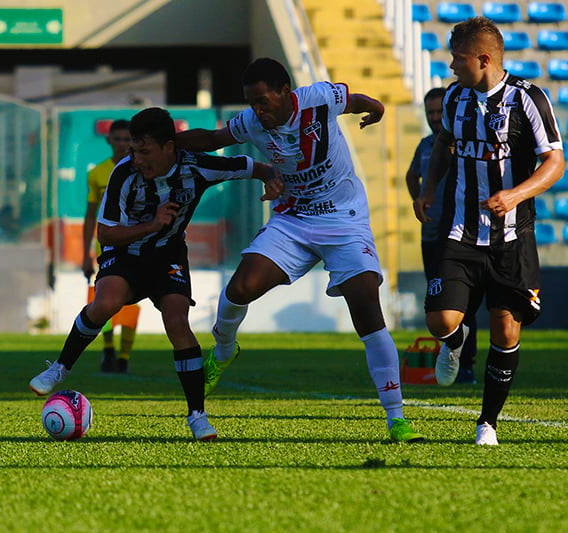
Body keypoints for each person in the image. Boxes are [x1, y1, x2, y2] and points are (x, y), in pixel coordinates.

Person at [175, 57, 424, 443]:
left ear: (286, 92)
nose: (258, 110)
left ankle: (396, 419)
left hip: (343, 219)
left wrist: (375, 108)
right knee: (240, 288)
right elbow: (213, 139)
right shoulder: (251, 122)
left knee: (366, 307)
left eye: (263, 101)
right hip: (294, 219)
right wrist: (166, 140)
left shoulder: (319, 98)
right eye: (251, 102)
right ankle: (223, 351)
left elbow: (355, 99)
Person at [29, 107, 284, 441]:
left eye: (144, 151)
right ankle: (59, 368)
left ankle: (197, 416)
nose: (137, 158)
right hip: (125, 254)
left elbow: (246, 166)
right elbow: (106, 234)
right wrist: (151, 225)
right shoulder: (123, 174)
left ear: (169, 147)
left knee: (177, 323)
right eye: (134, 150)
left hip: (168, 256)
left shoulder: (196, 166)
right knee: (106, 302)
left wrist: (271, 177)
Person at [414, 17, 564, 445]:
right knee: (440, 320)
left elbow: (555, 162)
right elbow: (444, 144)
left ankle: (487, 423)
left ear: (483, 59)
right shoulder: (456, 98)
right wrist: (428, 190)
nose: (451, 66)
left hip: (512, 237)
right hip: (460, 231)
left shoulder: (528, 99)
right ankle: (455, 340)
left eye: (457, 58)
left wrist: (515, 195)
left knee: (506, 330)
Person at [405, 87, 477, 384]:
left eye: (439, 112)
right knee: (436, 301)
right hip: (430, 234)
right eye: (430, 112)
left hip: (458, 233)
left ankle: (466, 366)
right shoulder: (424, 146)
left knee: (461, 303)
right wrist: (421, 198)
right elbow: (412, 175)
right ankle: (450, 357)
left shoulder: (462, 143)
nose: (435, 118)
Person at [82, 119, 140, 373]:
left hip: (136, 243)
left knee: (130, 301)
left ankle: (124, 356)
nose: (122, 144)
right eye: (117, 139)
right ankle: (107, 349)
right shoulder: (97, 174)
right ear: (109, 141)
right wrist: (85, 252)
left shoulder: (142, 169)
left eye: (127, 139)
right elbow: (90, 215)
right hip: (105, 245)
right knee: (101, 298)